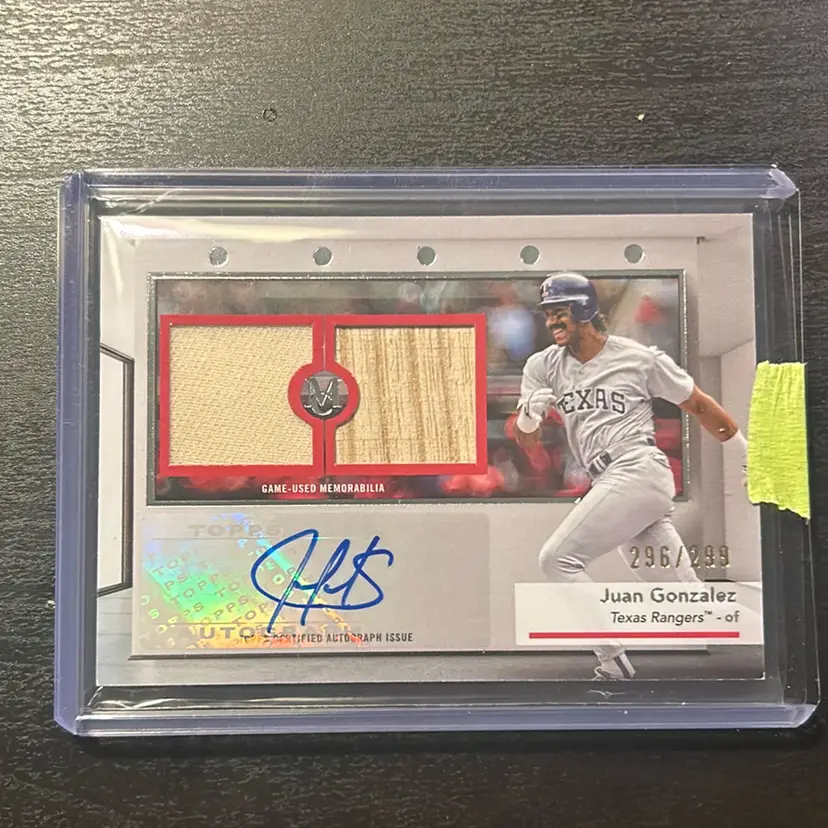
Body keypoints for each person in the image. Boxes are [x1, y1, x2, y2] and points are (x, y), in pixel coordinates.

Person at [513, 272, 748, 680]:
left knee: (556, 559)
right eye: (548, 313)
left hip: (637, 467)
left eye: (559, 312)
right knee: (691, 605)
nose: (551, 321)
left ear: (584, 309)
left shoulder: (637, 358)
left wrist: (746, 455)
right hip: (611, 479)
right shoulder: (543, 365)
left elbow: (699, 404)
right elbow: (525, 439)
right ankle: (770, 635)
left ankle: (612, 661)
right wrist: (529, 418)